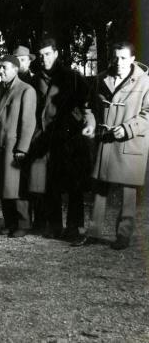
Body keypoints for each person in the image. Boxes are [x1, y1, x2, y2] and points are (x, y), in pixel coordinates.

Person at [72, 41, 149, 250]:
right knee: (99, 187)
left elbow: (147, 113)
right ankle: (93, 232)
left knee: (128, 191)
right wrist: (90, 123)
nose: (119, 62)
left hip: (130, 141)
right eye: (116, 57)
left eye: (124, 58)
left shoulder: (145, 82)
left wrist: (128, 128)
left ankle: (123, 236)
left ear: (133, 59)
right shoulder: (100, 79)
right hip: (105, 141)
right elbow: (89, 107)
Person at [27, 38, 89, 240]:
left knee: (73, 185)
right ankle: (54, 226)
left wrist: (78, 125)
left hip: (68, 139)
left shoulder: (72, 78)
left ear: (56, 53)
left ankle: (73, 227)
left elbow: (86, 105)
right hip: (43, 139)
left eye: (47, 53)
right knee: (50, 183)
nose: (44, 58)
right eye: (41, 54)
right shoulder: (35, 80)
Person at [0, 55, 36, 238]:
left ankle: (23, 223)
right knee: (4, 186)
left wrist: (22, 148)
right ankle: (9, 222)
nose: (0, 71)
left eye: (5, 68)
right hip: (0, 144)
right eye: (0, 67)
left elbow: (28, 122)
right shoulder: (0, 88)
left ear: (16, 69)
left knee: (17, 187)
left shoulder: (26, 90)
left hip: (14, 146)